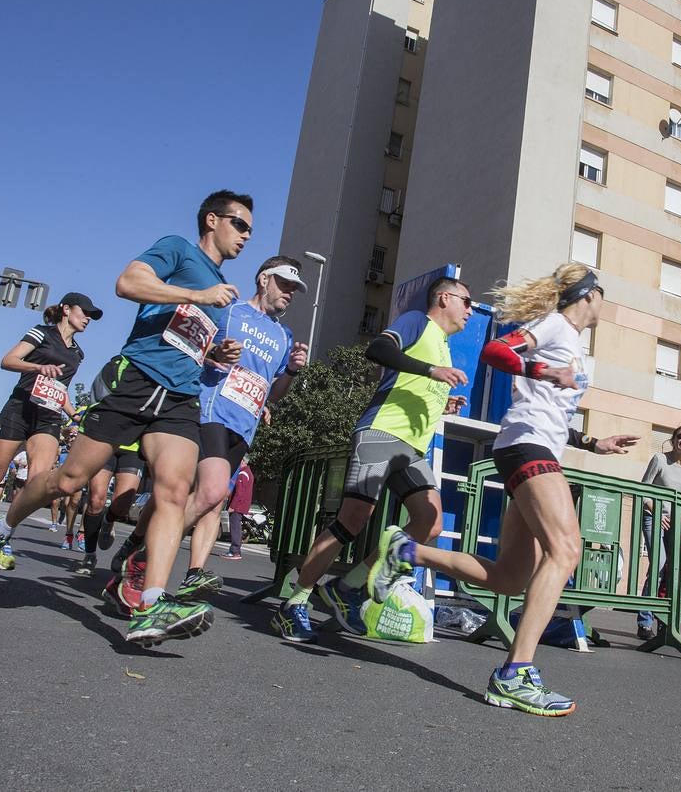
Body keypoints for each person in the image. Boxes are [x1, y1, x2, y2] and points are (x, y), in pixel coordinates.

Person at [0, 189, 251, 648]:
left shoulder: (222, 290)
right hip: (137, 382)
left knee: (175, 491)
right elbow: (127, 283)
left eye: (250, 230)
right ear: (213, 220)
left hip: (180, 397)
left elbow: (184, 334)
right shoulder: (179, 250)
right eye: (240, 225)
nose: (246, 236)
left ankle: (151, 604)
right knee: (68, 480)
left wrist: (216, 352)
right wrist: (197, 294)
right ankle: (2, 528)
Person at [369, 263, 639, 718]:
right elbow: (496, 350)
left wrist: (594, 443)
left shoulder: (571, 342)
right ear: (589, 295)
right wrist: (543, 369)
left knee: (511, 579)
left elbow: (550, 409)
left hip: (536, 445)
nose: (604, 305)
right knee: (566, 550)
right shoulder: (555, 324)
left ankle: (407, 551)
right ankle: (515, 673)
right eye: (603, 295)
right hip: (527, 447)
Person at [271, 276, 471, 643]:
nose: (470, 311)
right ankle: (295, 601)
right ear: (444, 298)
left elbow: (412, 386)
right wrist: (432, 371)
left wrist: (443, 402)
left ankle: (347, 587)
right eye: (467, 302)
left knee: (430, 522)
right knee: (353, 519)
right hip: (381, 433)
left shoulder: (443, 346)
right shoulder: (417, 321)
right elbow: (378, 349)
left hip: (411, 448)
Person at [108, 255, 307, 611]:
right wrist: (213, 355)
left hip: (244, 426)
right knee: (205, 490)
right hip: (210, 409)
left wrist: (291, 371)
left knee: (206, 498)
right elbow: (191, 344)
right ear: (264, 279)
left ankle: (156, 555)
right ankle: (144, 560)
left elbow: (273, 392)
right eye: (284, 284)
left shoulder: (284, 335)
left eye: (294, 288)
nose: (289, 293)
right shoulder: (229, 310)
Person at [0, 293, 101, 570]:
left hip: (49, 418)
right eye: (84, 312)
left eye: (91, 316)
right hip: (19, 410)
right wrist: (38, 367)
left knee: (37, 484)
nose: (87, 318)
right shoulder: (41, 333)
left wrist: (74, 414)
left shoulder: (78, 353)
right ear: (66, 309)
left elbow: (60, 389)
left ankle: (1, 536)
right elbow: (8, 360)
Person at [636, 424, 681, 640]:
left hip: (676, 523)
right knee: (660, 564)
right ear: (673, 440)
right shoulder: (660, 459)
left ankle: (664, 621)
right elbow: (643, 488)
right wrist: (656, 512)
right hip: (653, 518)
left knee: (674, 569)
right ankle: (644, 622)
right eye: (680, 436)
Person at [70, 440, 145, 577]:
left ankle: (108, 520)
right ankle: (90, 555)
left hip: (134, 448)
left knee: (123, 505)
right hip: (104, 441)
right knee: (95, 501)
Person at [223, 458, 254, 560]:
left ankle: (235, 551)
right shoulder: (248, 472)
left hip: (238, 506)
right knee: (236, 527)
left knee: (235, 528)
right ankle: (235, 551)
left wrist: (232, 506)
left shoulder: (242, 474)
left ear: (243, 461)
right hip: (241, 505)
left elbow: (239, 493)